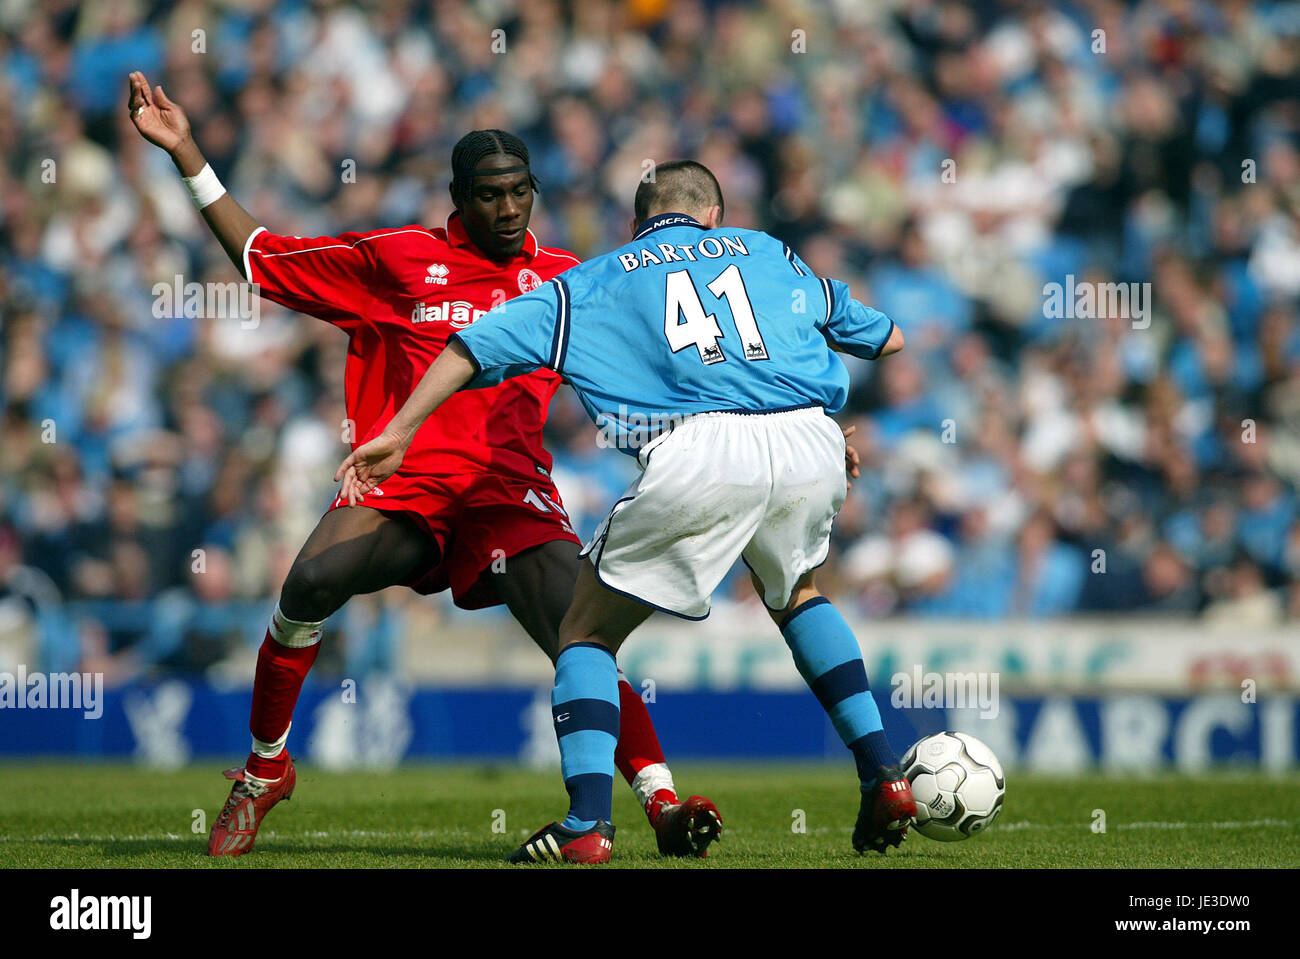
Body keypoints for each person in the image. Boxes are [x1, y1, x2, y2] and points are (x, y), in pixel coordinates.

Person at [125, 72, 721, 858]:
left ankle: (663, 804)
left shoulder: (570, 279)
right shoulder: (399, 259)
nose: (507, 209)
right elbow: (261, 257)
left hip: (509, 497)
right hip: (405, 490)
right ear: (458, 198)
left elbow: (673, 365)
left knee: (582, 634)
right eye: (489, 195)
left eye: (520, 192)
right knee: (307, 584)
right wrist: (187, 152)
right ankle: (265, 767)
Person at [336, 160, 914, 864]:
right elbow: (886, 339)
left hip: (702, 450)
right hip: (809, 438)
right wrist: (801, 415)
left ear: (638, 221)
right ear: (715, 214)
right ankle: (883, 770)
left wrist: (397, 431)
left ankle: (588, 824)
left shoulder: (597, 279)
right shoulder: (770, 251)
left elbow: (470, 346)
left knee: (582, 631)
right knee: (798, 594)